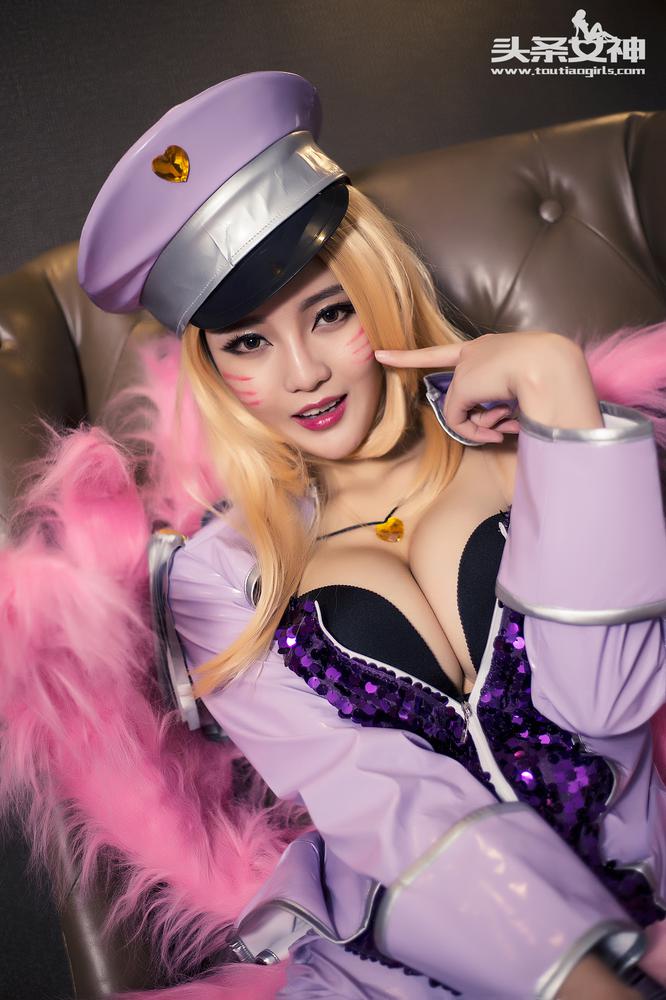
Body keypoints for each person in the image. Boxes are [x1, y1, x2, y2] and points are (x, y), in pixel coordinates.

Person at [37, 71, 666, 997]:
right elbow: (385, 809)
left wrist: (559, 391)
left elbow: (608, 702)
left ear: (383, 291)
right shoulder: (218, 576)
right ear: (211, 367)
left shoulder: (555, 446)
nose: (303, 375)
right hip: (418, 963)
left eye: (330, 314)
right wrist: (579, 977)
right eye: (248, 343)